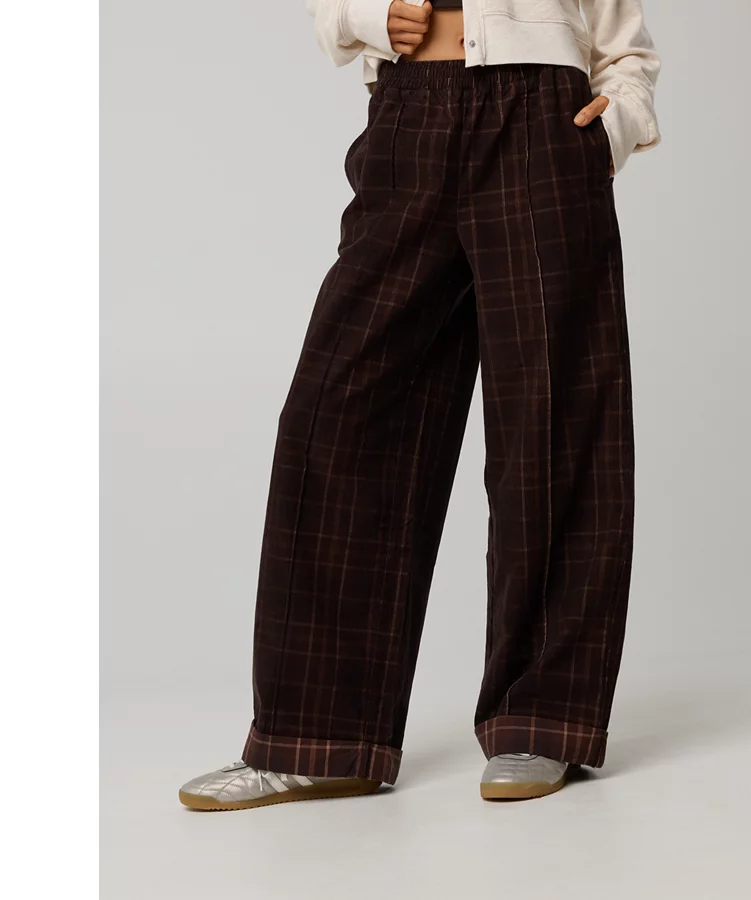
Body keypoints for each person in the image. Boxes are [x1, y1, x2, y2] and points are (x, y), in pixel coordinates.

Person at [179, 0, 661, 810]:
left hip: (544, 123)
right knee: (338, 414)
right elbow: (331, 11)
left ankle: (542, 720)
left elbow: (626, 46)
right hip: (408, 117)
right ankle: (320, 738)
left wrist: (612, 126)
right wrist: (372, 16)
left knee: (552, 418)